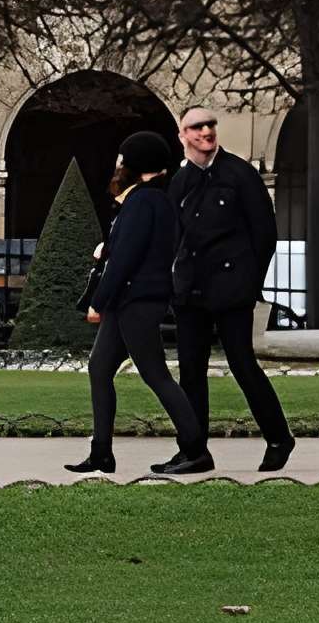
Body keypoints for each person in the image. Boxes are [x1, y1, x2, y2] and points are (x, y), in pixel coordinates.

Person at [72, 128, 211, 478]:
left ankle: (195, 449)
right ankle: (101, 452)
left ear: (137, 164)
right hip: (132, 299)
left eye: (123, 159)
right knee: (99, 368)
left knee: (156, 374)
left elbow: (127, 259)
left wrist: (99, 301)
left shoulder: (142, 201)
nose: (118, 164)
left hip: (134, 299)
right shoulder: (150, 200)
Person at [165, 105, 295, 473]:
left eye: (209, 124)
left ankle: (279, 437)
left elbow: (265, 234)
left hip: (231, 289)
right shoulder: (181, 181)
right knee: (190, 371)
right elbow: (173, 236)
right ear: (183, 136)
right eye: (195, 127)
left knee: (242, 364)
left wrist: (249, 283)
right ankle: (193, 450)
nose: (205, 131)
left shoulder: (240, 174)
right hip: (191, 291)